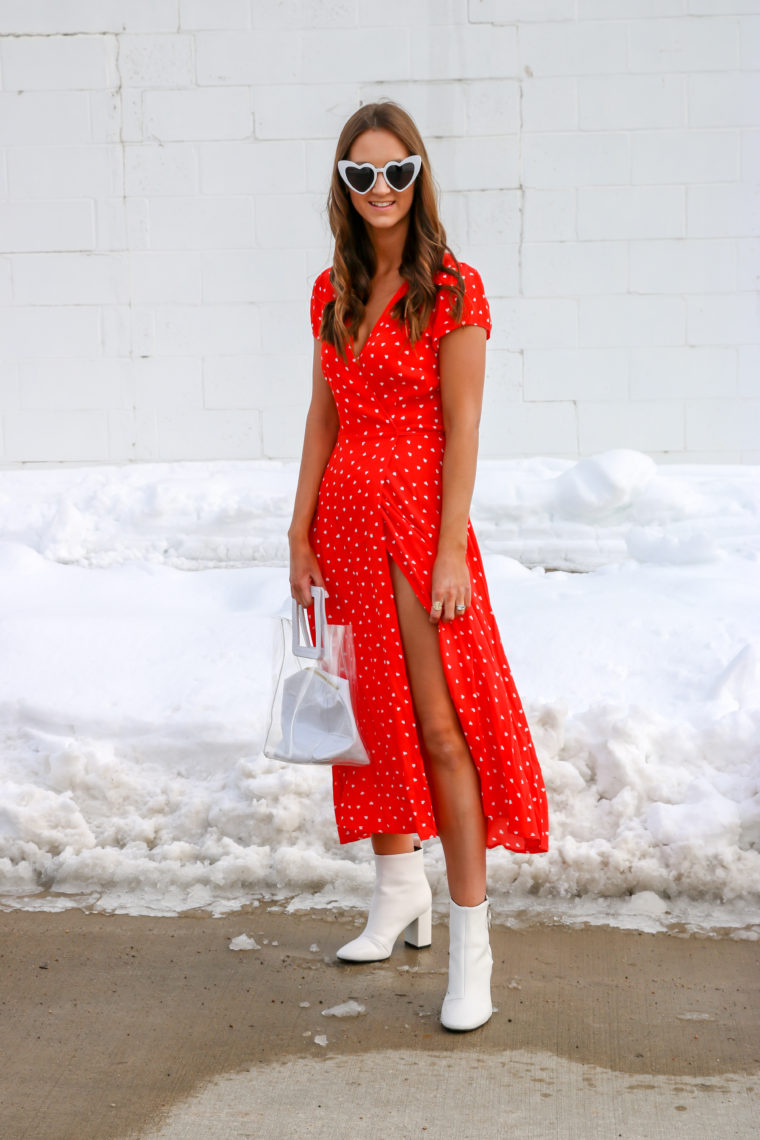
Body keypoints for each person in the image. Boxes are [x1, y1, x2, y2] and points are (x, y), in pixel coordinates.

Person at [288, 101, 549, 1032]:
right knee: (367, 714)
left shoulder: (454, 288)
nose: (382, 189)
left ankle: (473, 944)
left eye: (397, 171)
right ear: (343, 186)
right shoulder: (331, 290)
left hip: (416, 522)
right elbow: (323, 414)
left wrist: (448, 548)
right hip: (346, 522)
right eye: (363, 175)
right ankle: (399, 888)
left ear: (419, 175)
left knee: (441, 729)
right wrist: (298, 529)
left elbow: (465, 426)